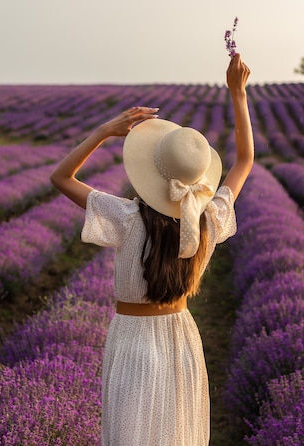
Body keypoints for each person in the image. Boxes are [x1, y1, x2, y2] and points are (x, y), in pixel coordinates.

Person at [50, 54, 253, 445]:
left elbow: (61, 177)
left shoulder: (127, 217)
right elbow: (245, 159)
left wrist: (105, 131)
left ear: (151, 172)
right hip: (182, 338)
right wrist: (238, 93)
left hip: (133, 340)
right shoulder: (208, 217)